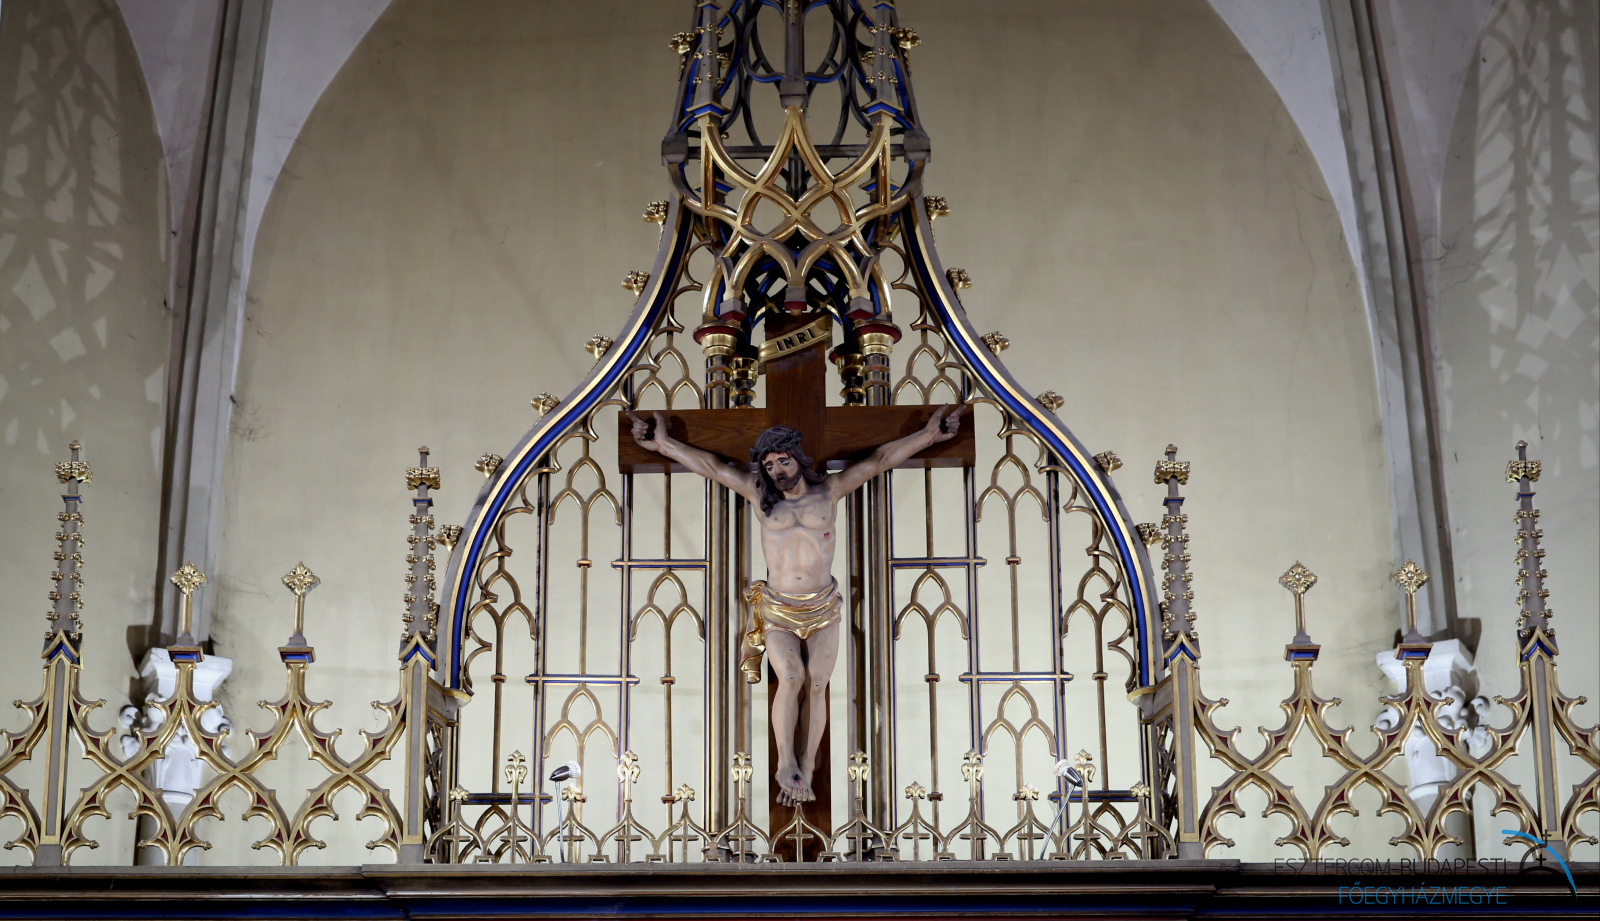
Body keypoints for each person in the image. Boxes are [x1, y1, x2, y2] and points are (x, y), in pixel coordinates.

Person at [627, 404, 965, 805]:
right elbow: (713, 468)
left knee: (817, 684)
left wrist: (929, 435)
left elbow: (880, 460)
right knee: (791, 677)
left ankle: (807, 763)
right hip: (779, 607)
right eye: (769, 466)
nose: (776, 472)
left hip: (823, 606)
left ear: (798, 459)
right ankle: (785, 761)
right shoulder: (760, 496)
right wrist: (664, 444)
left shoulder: (830, 491)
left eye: (783, 462)